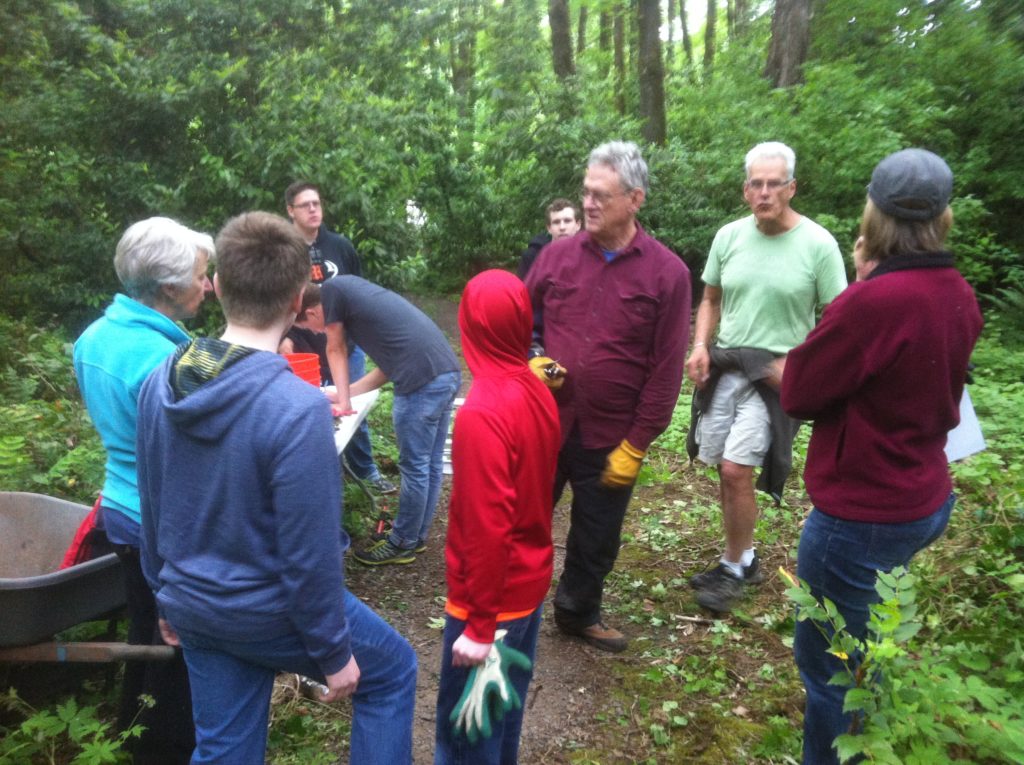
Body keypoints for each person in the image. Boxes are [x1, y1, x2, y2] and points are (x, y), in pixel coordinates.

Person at [136, 212, 417, 764]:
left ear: (216, 288)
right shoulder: (296, 409)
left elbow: (152, 502)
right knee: (391, 674)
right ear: (297, 301)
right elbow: (309, 553)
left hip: (194, 603)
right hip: (270, 611)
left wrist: (160, 594)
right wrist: (334, 654)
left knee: (224, 748)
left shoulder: (160, 380)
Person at [780, 149, 982, 765]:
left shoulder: (872, 303)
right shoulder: (958, 293)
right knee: (867, 638)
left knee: (832, 669)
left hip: (862, 514)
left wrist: (861, 290)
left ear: (874, 214)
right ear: (943, 218)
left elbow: (800, 391)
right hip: (923, 495)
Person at [525, 141, 692, 652]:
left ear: (634, 199)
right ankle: (510, 605)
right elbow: (521, 325)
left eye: (600, 195)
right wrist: (539, 362)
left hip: (612, 434)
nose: (589, 203)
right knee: (525, 519)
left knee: (596, 536)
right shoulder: (555, 256)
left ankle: (577, 613)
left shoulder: (668, 274)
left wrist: (638, 442)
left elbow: (666, 371)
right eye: (585, 193)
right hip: (547, 421)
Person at [684, 141, 847, 614]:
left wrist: (803, 369)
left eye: (775, 183)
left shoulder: (818, 244)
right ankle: (743, 557)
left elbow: (840, 317)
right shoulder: (729, 237)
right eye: (756, 183)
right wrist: (699, 345)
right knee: (723, 464)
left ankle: (734, 567)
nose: (765, 192)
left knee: (737, 468)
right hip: (727, 366)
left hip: (777, 376)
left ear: (792, 187)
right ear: (744, 189)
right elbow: (711, 298)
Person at [73, 216, 211, 763]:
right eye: (202, 276)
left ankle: (134, 730)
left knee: (144, 629)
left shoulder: (93, 337)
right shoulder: (169, 360)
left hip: (120, 508)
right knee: (176, 642)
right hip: (165, 518)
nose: (208, 285)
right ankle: (166, 747)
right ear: (169, 288)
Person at [434, 269, 561, 764]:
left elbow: (488, 525)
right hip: (527, 588)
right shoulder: (536, 388)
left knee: (467, 734)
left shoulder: (482, 411)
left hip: (491, 604)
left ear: (470, 325)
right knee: (501, 717)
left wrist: (481, 625)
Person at [321, 274, 461, 565]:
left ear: (311, 312)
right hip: (445, 372)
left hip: (420, 383)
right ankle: (415, 537)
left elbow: (335, 348)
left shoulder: (332, 290)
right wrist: (346, 392)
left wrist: (344, 401)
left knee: (414, 466)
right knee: (428, 464)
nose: (320, 332)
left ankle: (402, 541)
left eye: (312, 327)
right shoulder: (360, 300)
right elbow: (387, 366)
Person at [285, 181, 395, 494]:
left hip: (345, 344)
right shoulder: (284, 251)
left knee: (353, 406)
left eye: (316, 203)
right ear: (290, 210)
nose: (313, 209)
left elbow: (357, 293)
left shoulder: (340, 246)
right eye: (305, 205)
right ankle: (321, 474)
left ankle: (366, 472)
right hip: (303, 347)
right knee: (309, 409)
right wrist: (285, 339)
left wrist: (360, 334)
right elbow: (279, 302)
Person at [516, 198, 582, 279]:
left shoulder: (588, 255)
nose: (562, 227)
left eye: (567, 221)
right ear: (549, 228)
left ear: (578, 225)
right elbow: (522, 290)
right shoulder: (532, 257)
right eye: (556, 222)